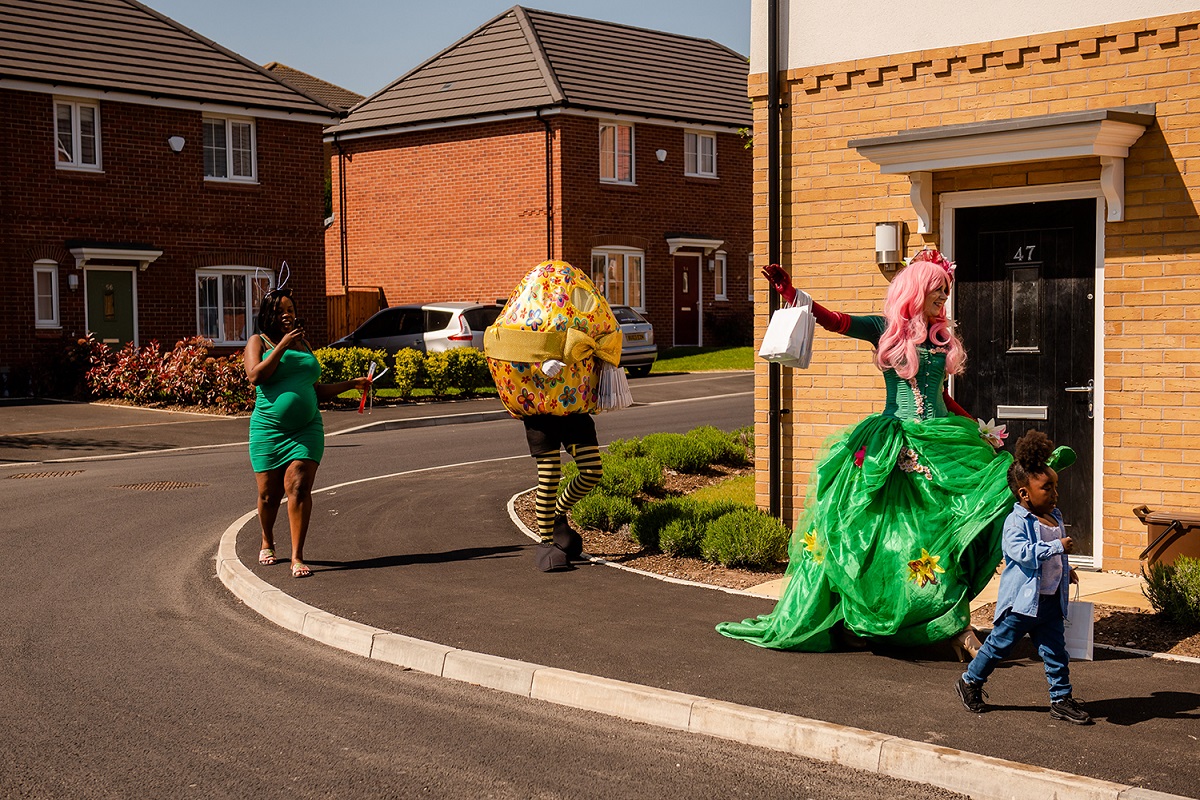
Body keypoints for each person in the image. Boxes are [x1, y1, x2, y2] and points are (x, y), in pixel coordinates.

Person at [717, 249, 1016, 654]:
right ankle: (882, 613)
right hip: (894, 442)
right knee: (888, 532)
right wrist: (792, 293)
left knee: (954, 523)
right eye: (937, 291)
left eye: (946, 292)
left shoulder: (939, 335)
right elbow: (837, 322)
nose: (943, 298)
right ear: (916, 290)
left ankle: (942, 617)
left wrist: (978, 427)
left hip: (942, 439)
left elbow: (939, 396)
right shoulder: (884, 329)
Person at [484, 260, 631, 572]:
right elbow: (507, 343)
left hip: (574, 408)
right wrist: (539, 365)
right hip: (540, 411)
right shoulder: (527, 307)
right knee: (549, 474)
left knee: (592, 471)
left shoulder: (578, 299)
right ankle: (546, 542)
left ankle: (557, 515)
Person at [956, 429, 1091, 724]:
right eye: (1047, 488)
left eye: (1056, 486)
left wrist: (1066, 570)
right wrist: (1056, 546)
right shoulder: (1016, 521)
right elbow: (1022, 553)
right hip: (1022, 605)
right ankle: (970, 682)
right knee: (997, 648)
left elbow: (1052, 559)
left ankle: (1061, 699)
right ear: (1025, 493)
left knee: (1056, 653)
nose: (1055, 493)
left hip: (1050, 602)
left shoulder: (1054, 517)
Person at [244, 288, 370, 578]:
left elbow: (315, 389)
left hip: (307, 428)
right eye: (280, 310)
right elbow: (255, 376)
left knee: (299, 486)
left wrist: (352, 383)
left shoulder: (304, 345)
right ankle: (267, 540)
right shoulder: (258, 342)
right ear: (268, 315)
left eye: (290, 309)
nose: (287, 315)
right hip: (268, 430)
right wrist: (283, 345)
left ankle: (297, 556)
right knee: (268, 496)